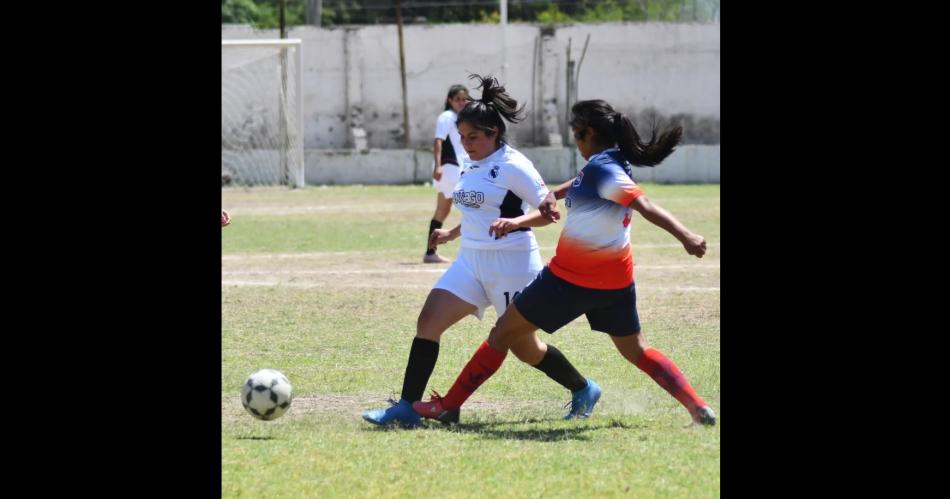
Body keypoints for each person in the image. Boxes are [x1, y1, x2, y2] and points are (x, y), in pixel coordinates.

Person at [413, 99, 717, 426]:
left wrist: (686, 235)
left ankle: (447, 405)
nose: (575, 142)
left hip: (569, 280)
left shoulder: (605, 169)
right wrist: (552, 195)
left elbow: (643, 204)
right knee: (638, 351)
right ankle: (697, 407)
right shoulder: (608, 163)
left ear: (587, 133)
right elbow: (581, 182)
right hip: (615, 282)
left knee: (502, 334)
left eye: (575, 135)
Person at [362, 75, 598, 428]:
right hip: (471, 261)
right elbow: (478, 208)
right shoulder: (472, 162)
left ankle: (583, 388)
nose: (466, 143)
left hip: (512, 265)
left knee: (525, 349)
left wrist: (516, 223)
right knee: (429, 321)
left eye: (473, 137)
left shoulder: (514, 165)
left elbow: (550, 212)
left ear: (494, 134)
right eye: (462, 137)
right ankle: (408, 408)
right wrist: (452, 232)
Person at [424, 84, 470, 263]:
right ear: (450, 100)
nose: (461, 102)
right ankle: (469, 252)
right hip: (451, 169)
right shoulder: (447, 117)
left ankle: (430, 252)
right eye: (457, 99)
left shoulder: (461, 118)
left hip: (455, 169)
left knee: (442, 211)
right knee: (471, 208)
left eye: (464, 99)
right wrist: (437, 166)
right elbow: (438, 141)